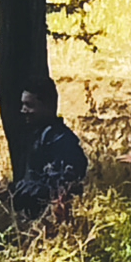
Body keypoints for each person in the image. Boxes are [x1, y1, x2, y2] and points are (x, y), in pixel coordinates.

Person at [9, 78, 88, 224]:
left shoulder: (62, 141)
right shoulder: (37, 135)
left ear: (48, 106)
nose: (23, 111)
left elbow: (61, 189)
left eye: (29, 105)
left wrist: (25, 190)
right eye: (22, 105)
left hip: (52, 225)